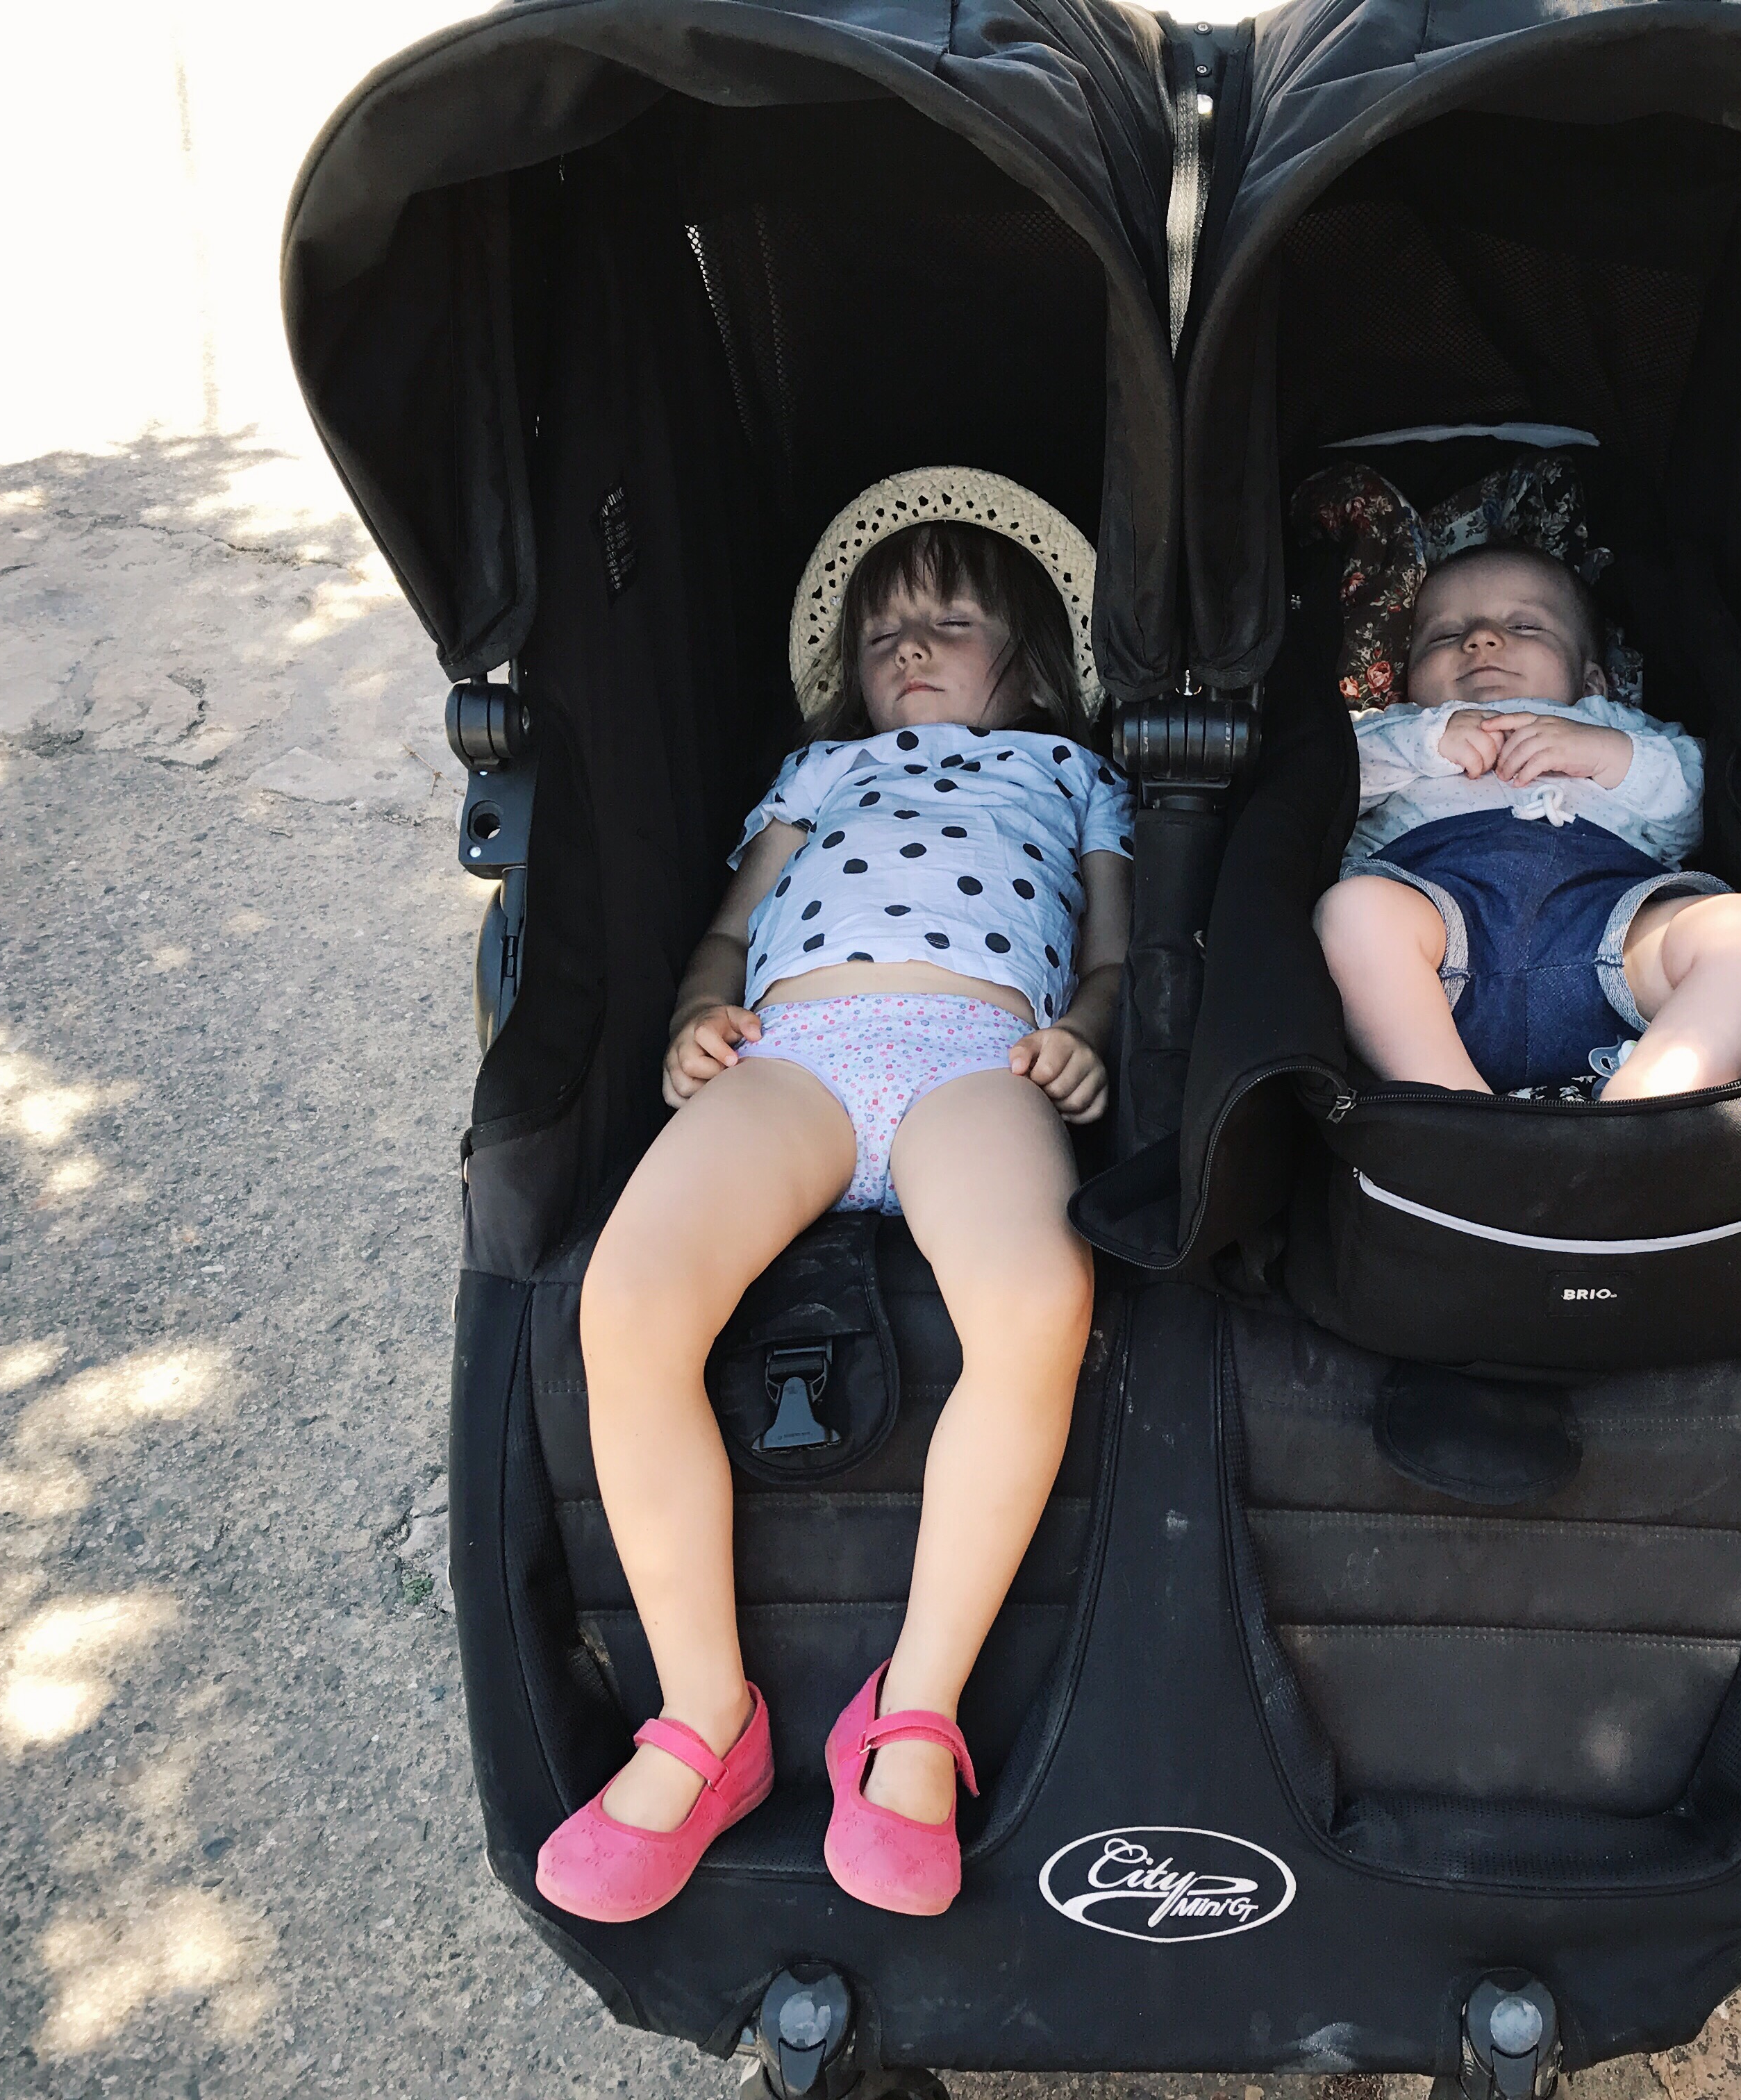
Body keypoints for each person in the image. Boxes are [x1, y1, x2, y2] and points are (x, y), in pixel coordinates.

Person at [535, 484, 1131, 1924]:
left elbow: (1118, 956)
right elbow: (728, 929)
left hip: (976, 1052)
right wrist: (696, 1012)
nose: (908, 649)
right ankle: (705, 1715)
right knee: (629, 1298)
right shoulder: (818, 773)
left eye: (951, 622)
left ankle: (911, 1709)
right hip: (794, 1050)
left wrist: (1089, 1032)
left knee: (1038, 1301)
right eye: (880, 635)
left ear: (1036, 657)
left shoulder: (1071, 773)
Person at [1315, 544, 1741, 1099]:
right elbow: (1326, 786)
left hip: (1609, 931)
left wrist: (1606, 753)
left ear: (1591, 682)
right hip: (1439, 938)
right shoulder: (1399, 728)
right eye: (1446, 635)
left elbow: (1702, 808)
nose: (1482, 639)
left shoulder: (1613, 725)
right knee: (1353, 913)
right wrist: (1427, 741)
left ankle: (1644, 1105)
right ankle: (1455, 1105)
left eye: (1523, 625)